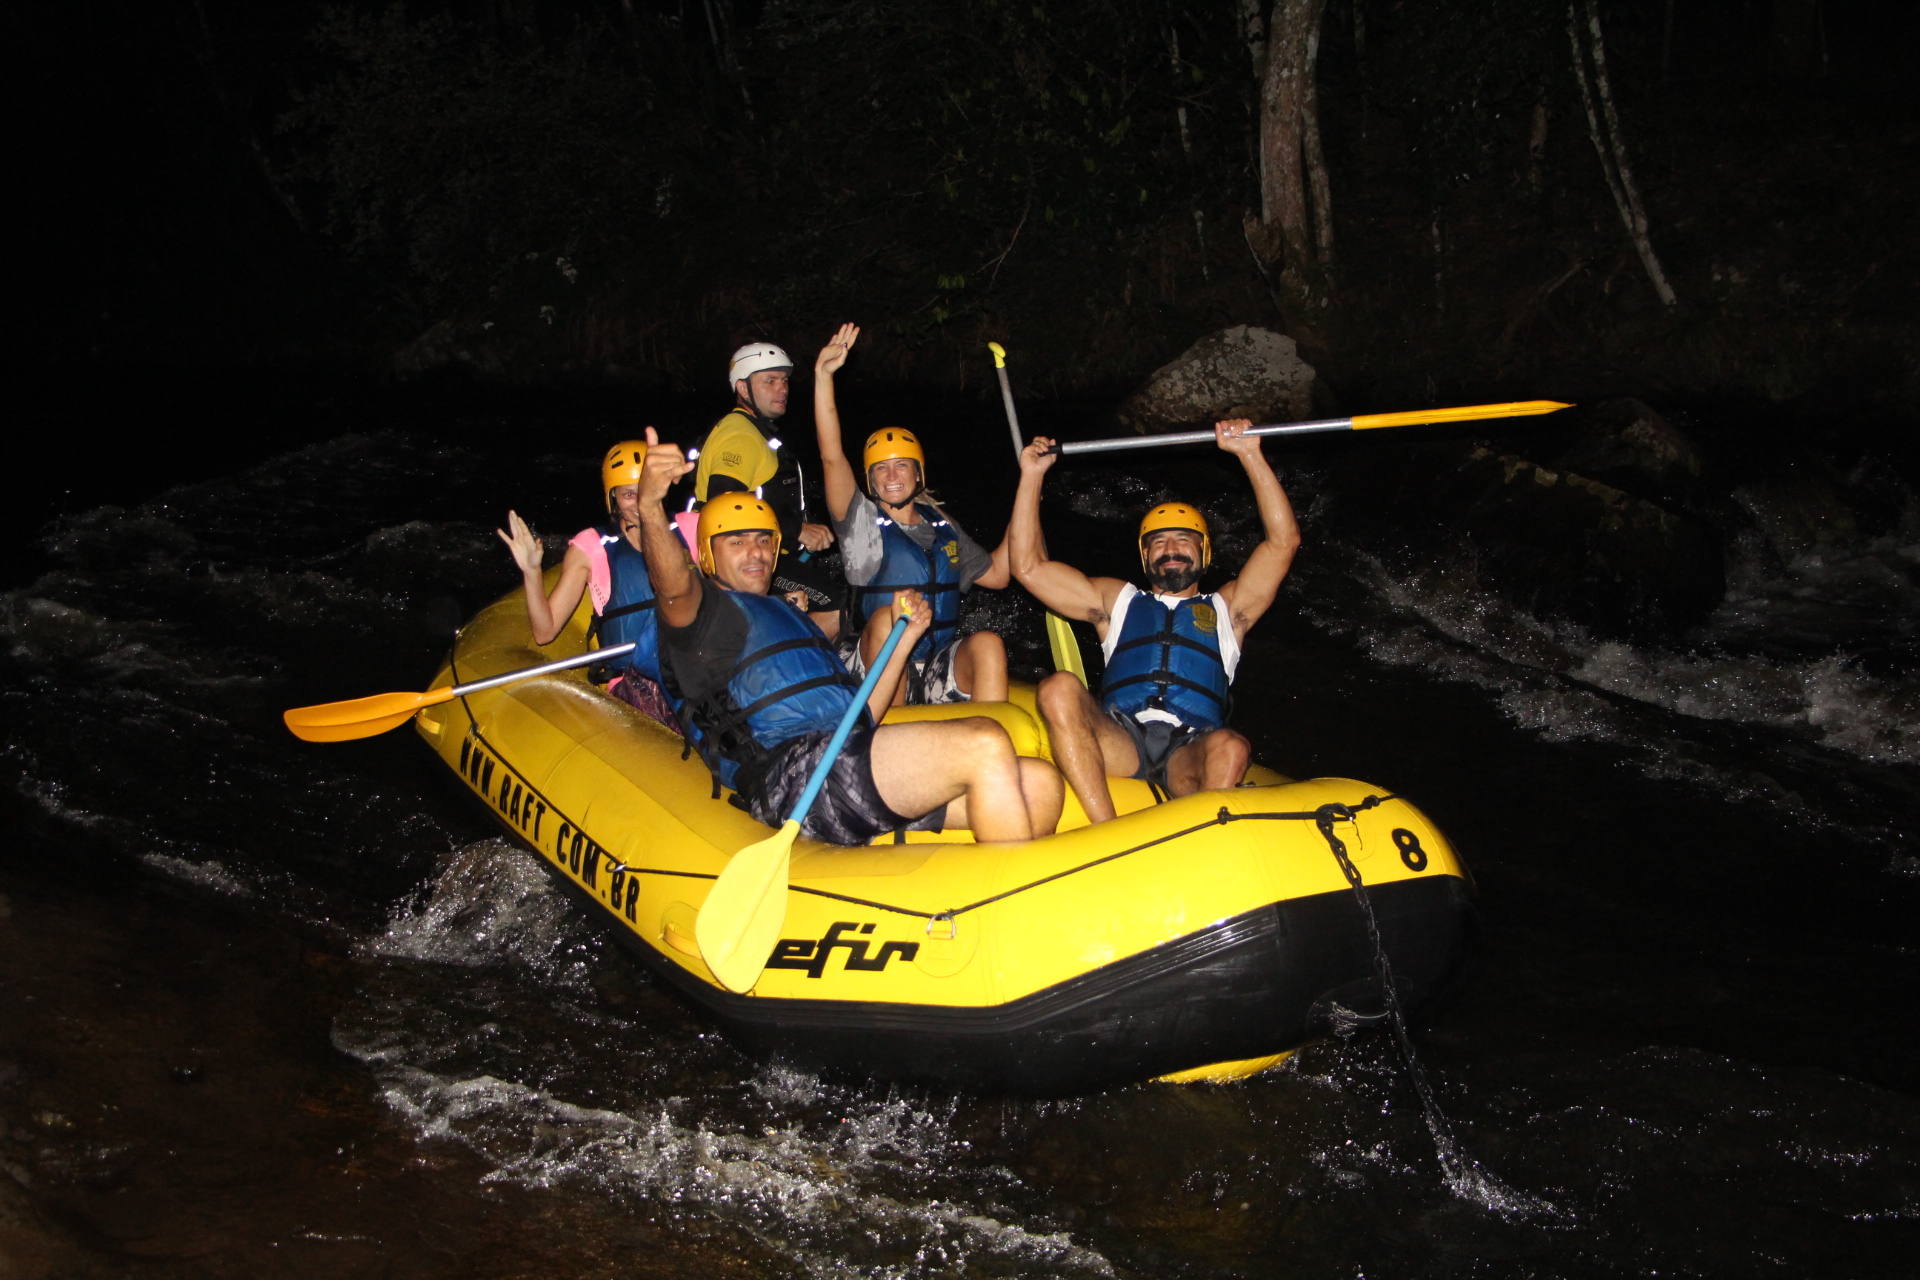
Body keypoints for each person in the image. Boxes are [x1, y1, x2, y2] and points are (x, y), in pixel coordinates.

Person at [635, 428, 1063, 845]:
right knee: (984, 742)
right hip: (796, 778)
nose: (756, 552)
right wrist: (652, 504)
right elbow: (672, 586)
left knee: (1041, 784)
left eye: (765, 541)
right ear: (707, 553)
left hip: (847, 758)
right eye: (737, 542)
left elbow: (860, 715)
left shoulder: (792, 616)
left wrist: (906, 638)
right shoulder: (704, 615)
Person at [1008, 420, 1302, 823]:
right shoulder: (1117, 601)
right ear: (1145, 556)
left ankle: (1203, 840)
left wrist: (1250, 455)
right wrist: (1032, 478)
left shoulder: (1230, 610)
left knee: (1232, 747)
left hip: (1189, 751)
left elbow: (1283, 543)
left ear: (1204, 551)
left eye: (1184, 540)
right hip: (1120, 739)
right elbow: (1028, 567)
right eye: (1158, 542)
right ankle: (1105, 829)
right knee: (1059, 687)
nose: (1171, 549)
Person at [812, 323, 1010, 706]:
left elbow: (1000, 575)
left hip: (935, 664)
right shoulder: (859, 524)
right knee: (889, 618)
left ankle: (992, 748)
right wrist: (823, 378)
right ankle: (897, 739)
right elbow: (831, 455)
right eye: (881, 469)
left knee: (988, 644)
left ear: (918, 474)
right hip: (872, 667)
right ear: (868, 479)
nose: (891, 476)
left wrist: (1029, 485)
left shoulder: (942, 526)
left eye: (901, 466)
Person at [496, 440, 676, 725]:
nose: (640, 503)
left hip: (693, 668)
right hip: (636, 682)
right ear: (612, 497)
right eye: (629, 494)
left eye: (647, 491)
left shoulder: (690, 528)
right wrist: (532, 571)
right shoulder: (591, 547)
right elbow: (545, 632)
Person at [684, 341, 842, 635]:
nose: (781, 389)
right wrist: (797, 531)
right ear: (743, 389)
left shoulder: (751, 431)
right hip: (738, 557)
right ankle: (802, 671)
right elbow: (724, 504)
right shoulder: (740, 437)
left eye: (784, 381)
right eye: (769, 381)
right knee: (832, 601)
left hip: (765, 550)